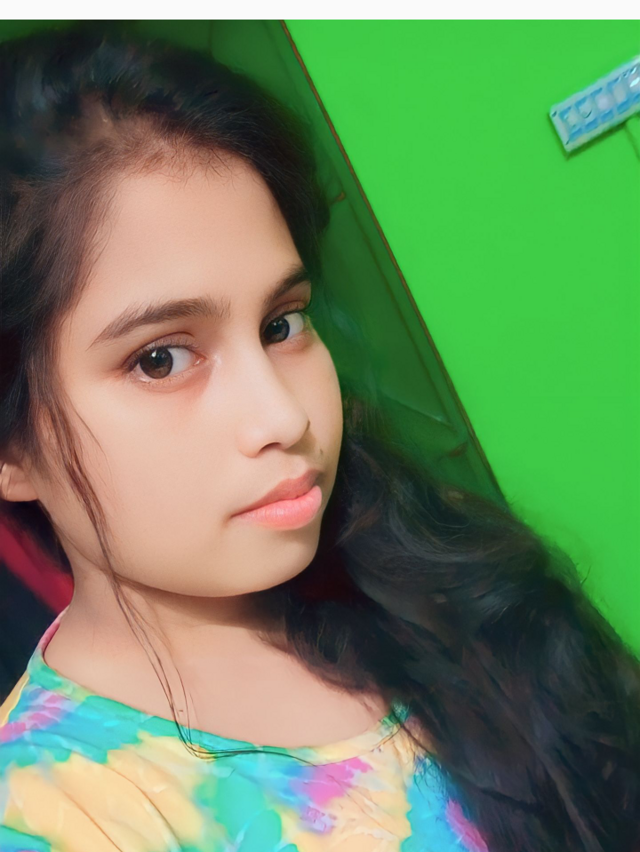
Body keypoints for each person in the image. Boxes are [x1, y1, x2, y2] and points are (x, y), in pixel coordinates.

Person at [0, 20, 638, 852]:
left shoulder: (434, 580)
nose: (283, 416)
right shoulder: (55, 813)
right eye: (161, 359)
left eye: (282, 324)